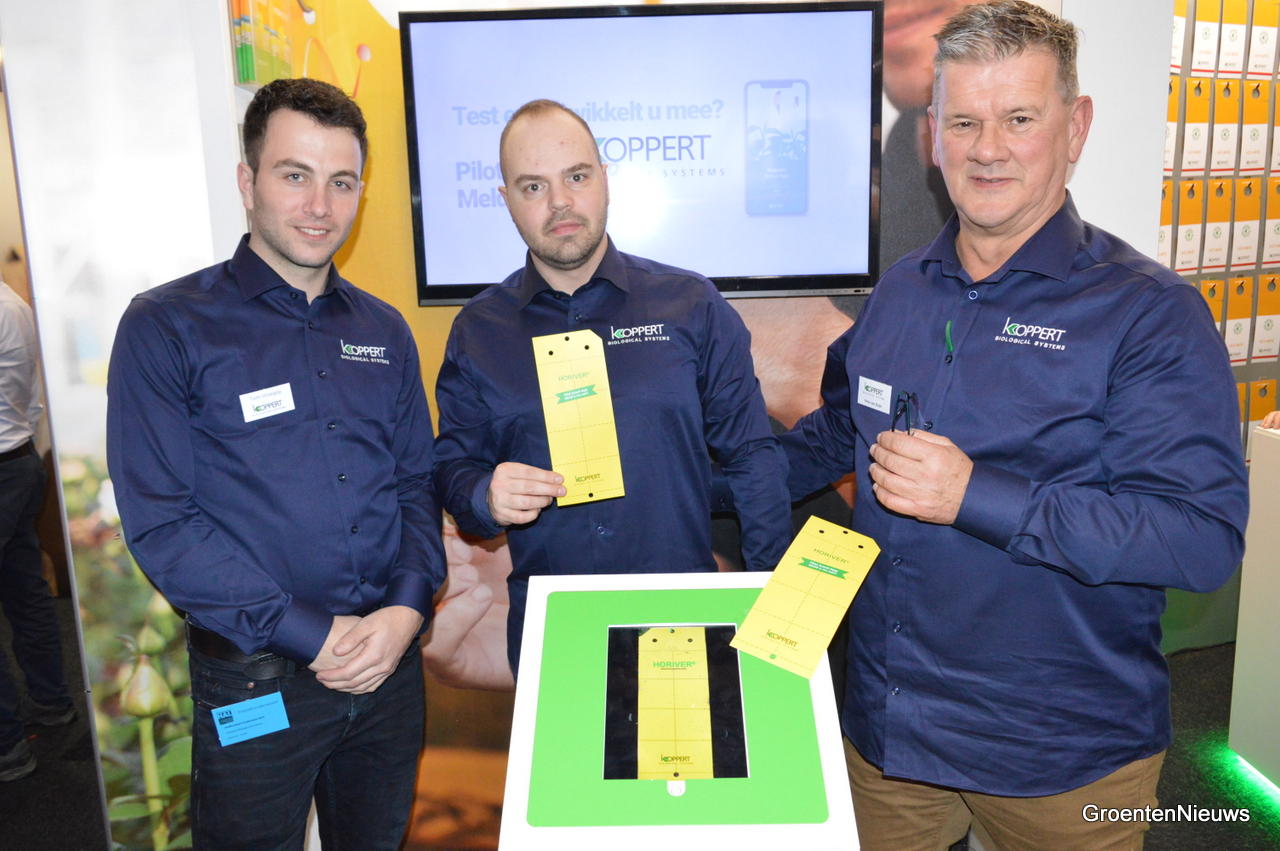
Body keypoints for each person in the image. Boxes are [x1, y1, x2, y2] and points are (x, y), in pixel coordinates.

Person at [782, 3, 1248, 848]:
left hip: (1062, 758)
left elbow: (1199, 537)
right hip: (890, 739)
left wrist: (975, 494)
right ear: (932, 135)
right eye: (964, 121)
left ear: (1076, 128)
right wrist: (674, 475)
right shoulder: (900, 291)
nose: (987, 148)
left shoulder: (1149, 315)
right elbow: (836, 433)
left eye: (1019, 119)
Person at [107, 78, 444, 848]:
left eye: (342, 182)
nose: (320, 205)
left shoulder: (384, 330)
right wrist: (313, 635)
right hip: (255, 683)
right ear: (247, 180)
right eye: (296, 175)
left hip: (389, 671)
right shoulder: (167, 326)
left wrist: (406, 609)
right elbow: (163, 524)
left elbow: (414, 486)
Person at [432, 99, 791, 677]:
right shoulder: (478, 330)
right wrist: (483, 497)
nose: (559, 202)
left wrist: (770, 602)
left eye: (576, 177)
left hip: (683, 625)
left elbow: (753, 457)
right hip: (554, 636)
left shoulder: (690, 304)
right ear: (506, 200)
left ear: (604, 179)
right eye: (533, 187)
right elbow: (454, 467)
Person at [0, 280, 75, 783]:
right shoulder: (14, 303)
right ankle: (52, 702)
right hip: (20, 459)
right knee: (25, 590)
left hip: (6, 464)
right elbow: (31, 396)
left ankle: (7, 745)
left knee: (25, 590)